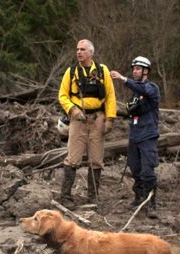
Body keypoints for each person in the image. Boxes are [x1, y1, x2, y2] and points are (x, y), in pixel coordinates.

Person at [58, 39, 116, 206]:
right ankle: (66, 197)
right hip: (78, 120)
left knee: (96, 159)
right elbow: (62, 95)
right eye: (77, 49)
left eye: (82, 49)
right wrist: (73, 110)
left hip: (97, 119)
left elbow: (111, 96)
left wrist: (110, 119)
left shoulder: (102, 70)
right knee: (73, 158)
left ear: (91, 52)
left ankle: (93, 196)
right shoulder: (71, 72)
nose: (79, 52)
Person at [110, 56, 161, 218]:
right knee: (135, 169)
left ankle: (151, 203)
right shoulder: (134, 94)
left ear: (146, 71)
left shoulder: (152, 88)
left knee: (147, 171)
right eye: (133, 69)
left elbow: (144, 90)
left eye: (138, 69)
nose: (135, 71)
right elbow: (130, 110)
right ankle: (139, 197)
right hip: (134, 137)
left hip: (148, 137)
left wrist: (123, 79)